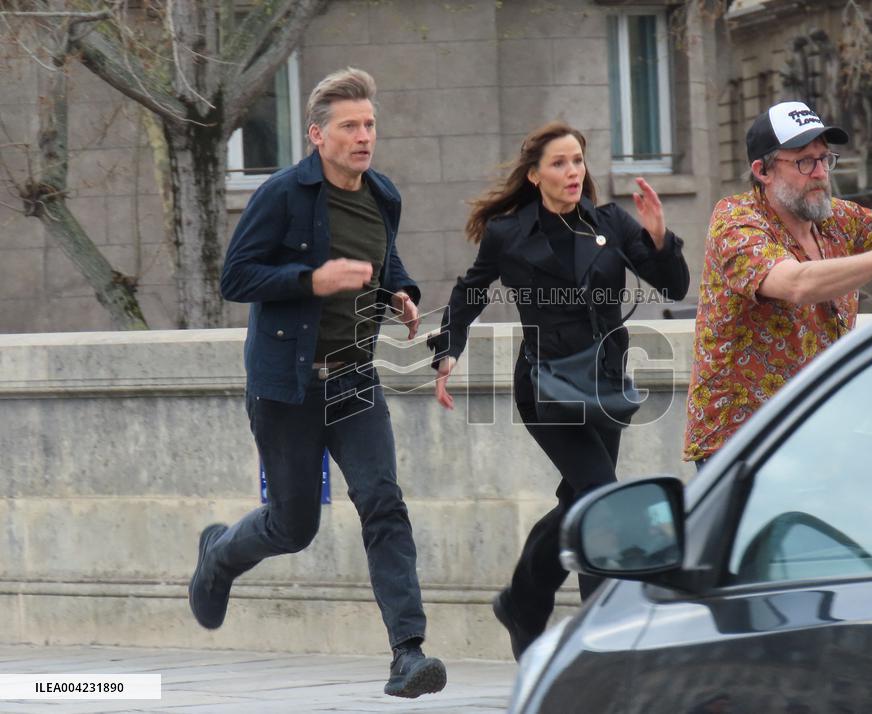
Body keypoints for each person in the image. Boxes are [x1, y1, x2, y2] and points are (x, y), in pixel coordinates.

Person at [188, 68, 447, 699]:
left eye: (370, 124)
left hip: (356, 379)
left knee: (383, 502)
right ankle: (219, 554)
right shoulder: (282, 194)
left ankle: (407, 654)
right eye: (350, 126)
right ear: (317, 135)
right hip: (287, 385)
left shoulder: (383, 194)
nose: (364, 136)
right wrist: (312, 280)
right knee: (294, 525)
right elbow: (236, 278)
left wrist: (401, 293)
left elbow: (384, 263)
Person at [429, 121, 689, 659]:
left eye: (578, 161)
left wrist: (660, 240)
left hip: (606, 386)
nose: (573, 172)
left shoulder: (611, 222)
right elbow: (470, 291)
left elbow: (674, 286)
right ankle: (600, 642)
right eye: (560, 163)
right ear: (535, 175)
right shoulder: (508, 233)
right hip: (546, 389)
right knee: (599, 499)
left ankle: (523, 602)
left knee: (578, 499)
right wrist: (448, 349)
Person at [683, 98, 872, 466]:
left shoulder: (832, 218)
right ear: (763, 171)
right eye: (804, 161)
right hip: (744, 447)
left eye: (824, 158)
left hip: (818, 433)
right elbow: (795, 284)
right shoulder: (735, 221)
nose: (819, 173)